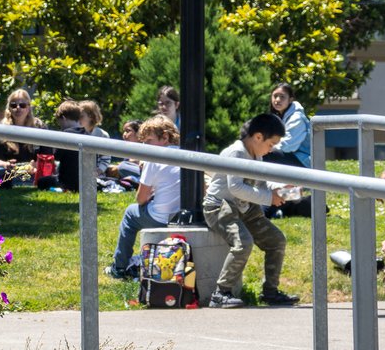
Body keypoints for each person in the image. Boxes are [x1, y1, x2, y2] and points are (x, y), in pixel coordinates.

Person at [204, 114, 297, 308]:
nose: (271, 149)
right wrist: (269, 198)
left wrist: (278, 188)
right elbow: (235, 187)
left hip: (244, 207)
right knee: (244, 242)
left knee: (276, 241)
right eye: (271, 144)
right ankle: (221, 293)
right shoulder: (236, 153)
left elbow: (261, 182)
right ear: (258, 137)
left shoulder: (257, 154)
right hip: (219, 206)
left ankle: (270, 292)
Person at [108, 115, 183, 278]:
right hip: (181, 218)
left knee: (130, 213)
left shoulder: (154, 158)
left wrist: (149, 196)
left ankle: (119, 267)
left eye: (148, 141)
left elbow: (141, 199)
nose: (145, 146)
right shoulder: (184, 154)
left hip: (161, 218)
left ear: (164, 137)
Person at [0, 89, 43, 185]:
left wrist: (36, 165)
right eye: (13, 105)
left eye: (22, 105)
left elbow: (48, 155)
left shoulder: (39, 127)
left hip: (33, 174)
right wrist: (5, 164)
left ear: (28, 108)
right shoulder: (1, 129)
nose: (18, 108)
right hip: (8, 174)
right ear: (9, 108)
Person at [50, 99, 89, 195]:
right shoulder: (87, 135)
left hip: (66, 183)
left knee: (42, 181)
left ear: (63, 118)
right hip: (85, 183)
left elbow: (56, 156)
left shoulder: (65, 135)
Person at [268, 84, 311, 168]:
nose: (277, 100)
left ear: (290, 100)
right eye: (275, 96)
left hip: (305, 163)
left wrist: (266, 147)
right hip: (291, 157)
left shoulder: (297, 118)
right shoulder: (279, 116)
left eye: (282, 97)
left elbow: (288, 146)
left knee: (267, 154)